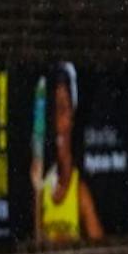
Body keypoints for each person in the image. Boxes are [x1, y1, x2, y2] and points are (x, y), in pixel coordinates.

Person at [33, 62, 104, 243]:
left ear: (72, 115)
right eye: (53, 112)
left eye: (63, 110)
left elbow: (100, 246)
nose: (57, 123)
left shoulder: (80, 192)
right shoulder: (43, 188)